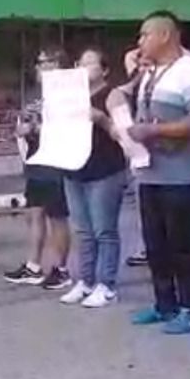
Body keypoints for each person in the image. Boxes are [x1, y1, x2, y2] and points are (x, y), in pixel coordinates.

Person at [121, 11, 190, 335]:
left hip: (181, 177)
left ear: (165, 35)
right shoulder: (149, 73)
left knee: (183, 246)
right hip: (149, 174)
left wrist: (154, 132)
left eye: (145, 34)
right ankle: (165, 304)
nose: (139, 42)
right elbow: (123, 99)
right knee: (155, 245)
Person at [59, 48, 129, 308]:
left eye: (90, 63)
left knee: (104, 230)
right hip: (74, 168)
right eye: (80, 62)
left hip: (105, 170)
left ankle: (106, 284)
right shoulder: (70, 96)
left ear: (105, 70)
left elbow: (124, 133)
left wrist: (102, 119)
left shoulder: (113, 95)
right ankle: (85, 280)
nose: (83, 67)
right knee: (83, 231)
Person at [4, 47, 72, 290]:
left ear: (59, 65)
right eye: (39, 62)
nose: (39, 67)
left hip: (57, 161)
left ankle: (61, 269)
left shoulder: (69, 95)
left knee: (57, 216)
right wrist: (23, 130)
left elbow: (69, 127)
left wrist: (35, 128)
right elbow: (25, 123)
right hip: (36, 159)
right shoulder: (36, 95)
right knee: (34, 213)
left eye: (45, 62)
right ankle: (33, 266)